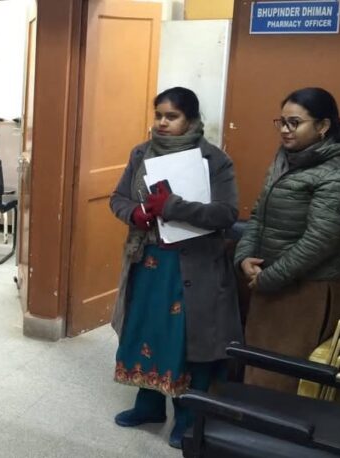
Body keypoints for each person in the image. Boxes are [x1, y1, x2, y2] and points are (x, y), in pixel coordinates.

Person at [109, 87, 242, 449]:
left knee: (184, 339)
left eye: (172, 116)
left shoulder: (214, 160)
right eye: (159, 115)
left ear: (191, 119)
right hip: (147, 261)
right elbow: (117, 198)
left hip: (192, 267)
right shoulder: (141, 153)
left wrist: (174, 207)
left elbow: (227, 214)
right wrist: (134, 213)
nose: (163, 123)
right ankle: (148, 406)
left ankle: (186, 418)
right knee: (145, 330)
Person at [235, 87, 340, 393]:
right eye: (282, 122)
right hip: (269, 280)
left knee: (284, 378)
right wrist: (244, 256)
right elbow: (259, 215)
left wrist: (270, 278)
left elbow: (319, 242)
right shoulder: (285, 160)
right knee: (259, 367)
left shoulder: (336, 175)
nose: (285, 130)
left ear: (323, 126)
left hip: (306, 290)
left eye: (295, 123)